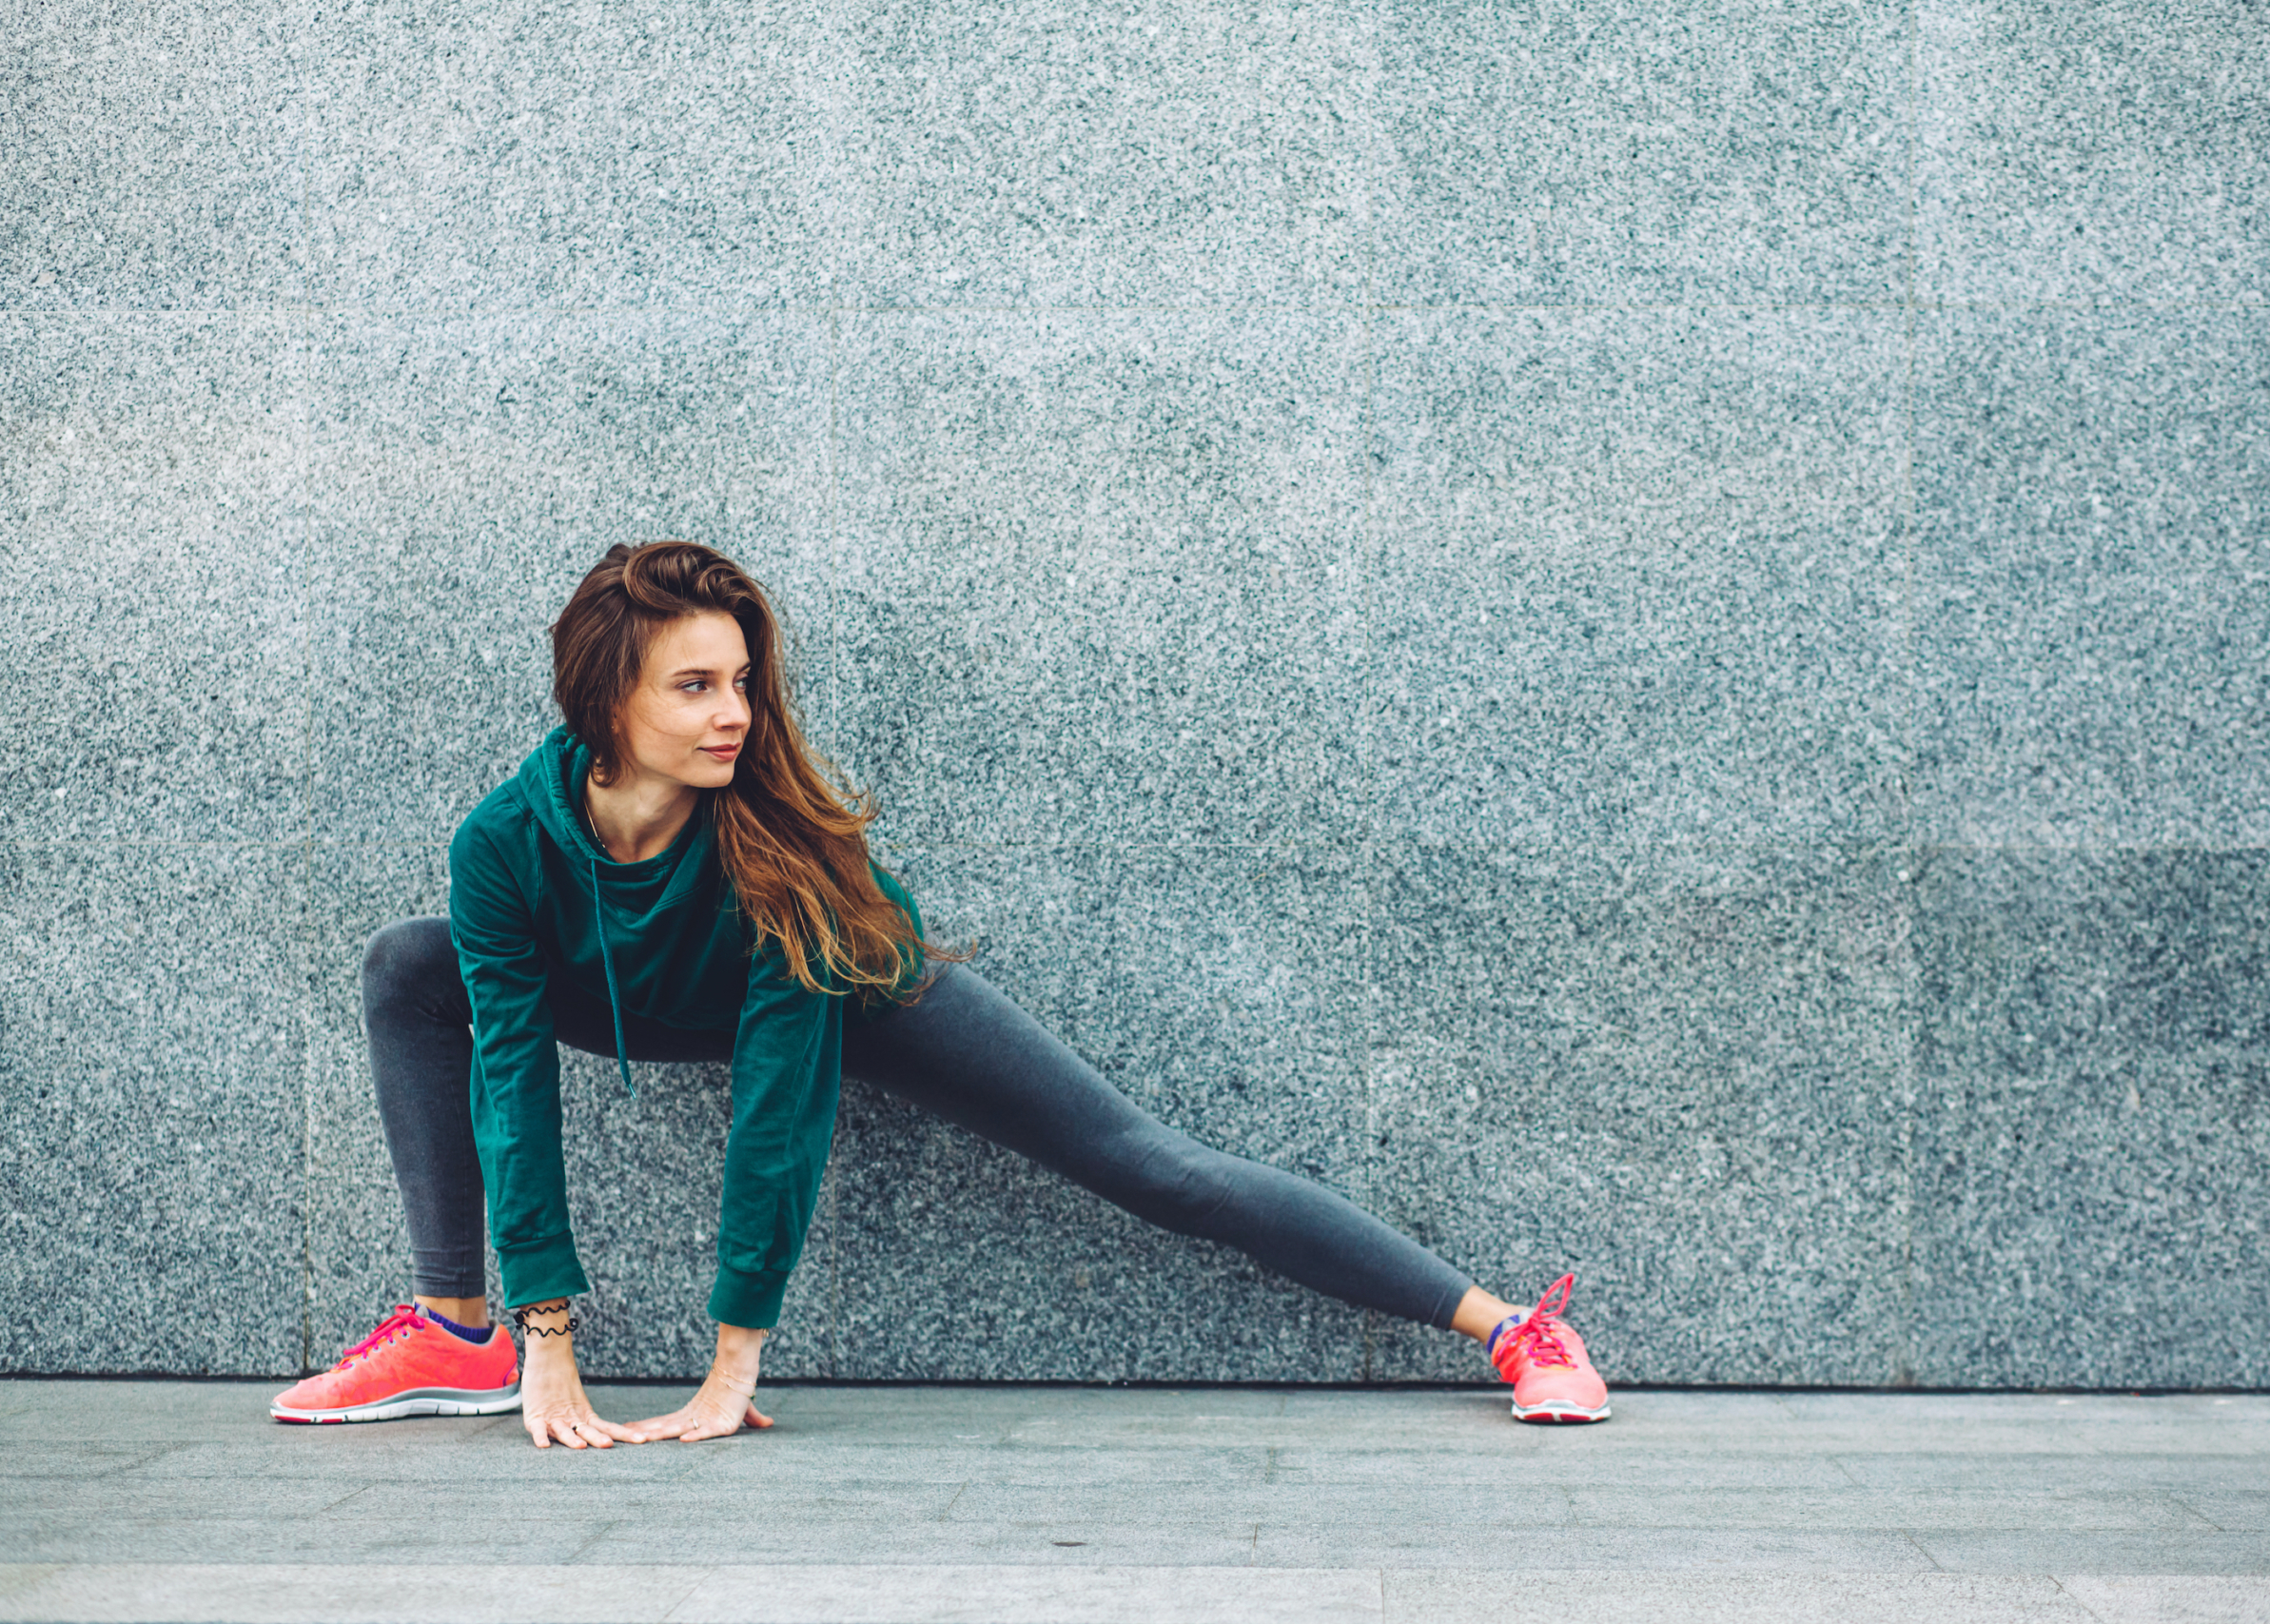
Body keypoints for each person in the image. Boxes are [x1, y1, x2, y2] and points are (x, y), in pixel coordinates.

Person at [273, 541, 1611, 1445]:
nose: (734, 712)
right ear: (603, 705)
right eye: (694, 687)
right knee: (412, 959)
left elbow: (780, 1114)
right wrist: (541, 1332)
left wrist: (734, 1357)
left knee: (1155, 1165)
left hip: (852, 992)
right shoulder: (504, 845)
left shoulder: (779, 851)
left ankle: (1511, 1330)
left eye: (742, 681)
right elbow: (510, 1076)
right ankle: (454, 1330)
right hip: (617, 979)